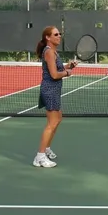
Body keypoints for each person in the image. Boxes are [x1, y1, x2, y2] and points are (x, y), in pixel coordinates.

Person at [33, 26, 77, 168]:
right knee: (51, 123)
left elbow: (58, 69)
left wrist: (68, 66)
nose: (59, 36)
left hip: (55, 90)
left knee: (58, 119)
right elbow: (54, 75)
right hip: (50, 90)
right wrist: (67, 73)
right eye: (56, 34)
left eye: (60, 34)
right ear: (48, 37)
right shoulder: (49, 52)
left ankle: (46, 149)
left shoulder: (53, 52)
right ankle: (39, 157)